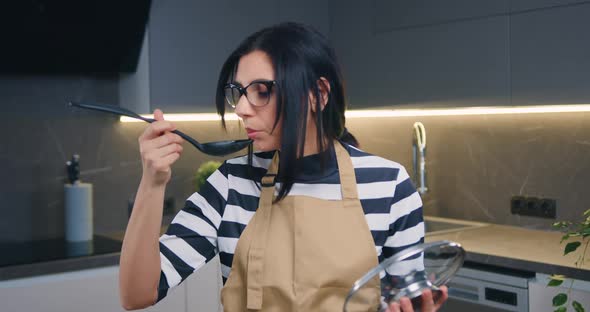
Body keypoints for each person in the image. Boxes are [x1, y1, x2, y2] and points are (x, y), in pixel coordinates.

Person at [119, 22, 448, 312]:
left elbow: (406, 298)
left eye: (261, 91)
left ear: (318, 94)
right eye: (239, 93)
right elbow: (137, 294)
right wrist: (153, 181)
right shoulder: (230, 185)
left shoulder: (389, 187)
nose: (242, 109)